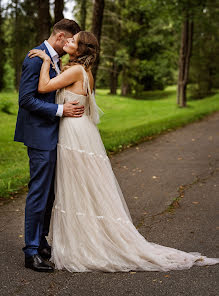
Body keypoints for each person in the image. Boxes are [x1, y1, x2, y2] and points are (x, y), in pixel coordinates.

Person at [28, 31, 219, 272]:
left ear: (81, 49)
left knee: (75, 186)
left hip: (73, 132)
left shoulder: (75, 71)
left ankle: (84, 244)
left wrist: (46, 61)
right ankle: (86, 239)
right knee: (81, 187)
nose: (68, 42)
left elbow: (44, 86)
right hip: (81, 130)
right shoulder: (84, 71)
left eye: (73, 41)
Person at [14, 19, 85, 273]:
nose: (71, 45)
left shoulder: (53, 59)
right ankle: (30, 252)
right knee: (38, 192)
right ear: (61, 37)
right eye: (71, 40)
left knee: (50, 193)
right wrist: (60, 109)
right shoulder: (35, 58)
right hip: (39, 135)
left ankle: (42, 242)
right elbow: (26, 99)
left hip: (52, 135)